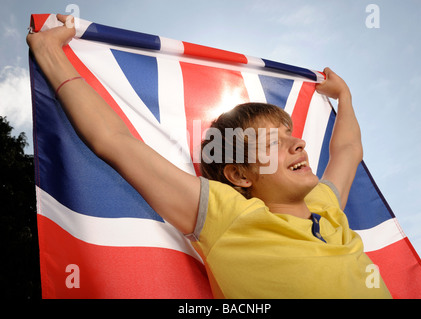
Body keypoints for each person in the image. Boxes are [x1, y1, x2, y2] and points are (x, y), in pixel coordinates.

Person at [27, 14, 392, 298]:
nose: (298, 144)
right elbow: (115, 141)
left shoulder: (325, 205)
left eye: (290, 135)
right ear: (240, 175)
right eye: (271, 143)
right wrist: (50, 51)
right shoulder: (228, 214)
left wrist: (344, 97)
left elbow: (347, 150)